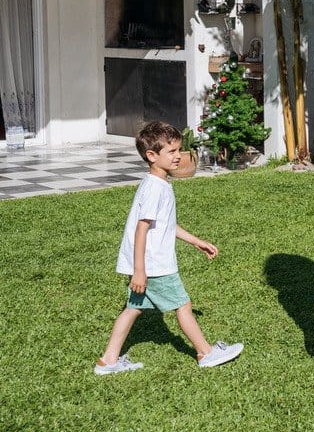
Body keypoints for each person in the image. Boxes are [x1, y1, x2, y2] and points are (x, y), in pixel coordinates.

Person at [95, 120, 242, 375]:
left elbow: (165, 225)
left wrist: (197, 241)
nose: (178, 156)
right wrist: (140, 270)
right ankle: (205, 353)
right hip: (154, 265)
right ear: (151, 156)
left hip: (146, 264)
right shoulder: (155, 188)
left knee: (132, 309)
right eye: (171, 152)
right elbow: (142, 229)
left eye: (178, 150)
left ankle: (108, 361)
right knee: (183, 306)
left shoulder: (157, 183)